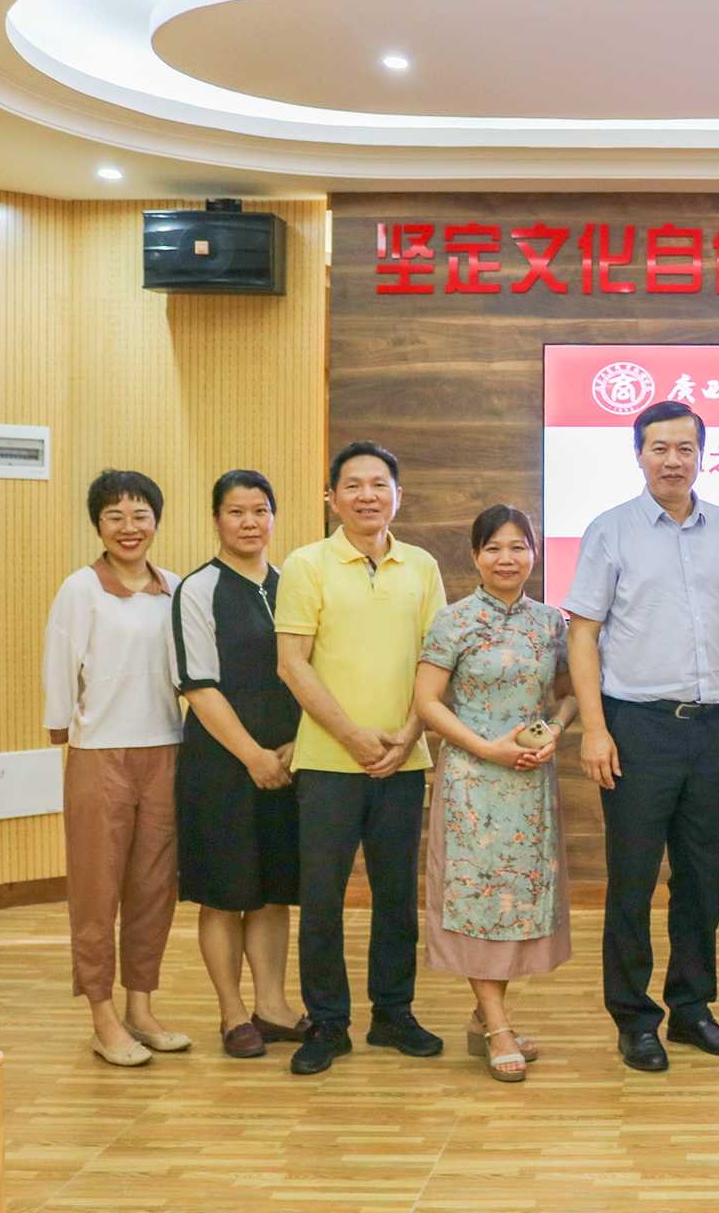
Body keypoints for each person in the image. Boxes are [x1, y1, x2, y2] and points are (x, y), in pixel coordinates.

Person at [564, 401, 719, 1073]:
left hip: (709, 727)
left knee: (703, 878)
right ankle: (633, 1017)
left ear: (702, 454)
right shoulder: (610, 530)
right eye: (659, 448)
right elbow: (583, 633)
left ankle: (692, 1008)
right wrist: (595, 729)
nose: (672, 460)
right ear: (639, 455)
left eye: (684, 448)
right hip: (636, 727)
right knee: (633, 878)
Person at [274, 440, 448, 1076]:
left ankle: (393, 1013)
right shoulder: (306, 564)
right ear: (332, 498)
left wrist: (407, 735)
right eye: (353, 485)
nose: (367, 495)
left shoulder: (422, 566)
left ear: (398, 495)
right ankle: (327, 1022)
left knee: (396, 897)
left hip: (404, 761)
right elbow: (291, 664)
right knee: (321, 899)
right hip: (327, 763)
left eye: (379, 484)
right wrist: (351, 735)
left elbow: (437, 660)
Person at [413, 504, 577, 1085]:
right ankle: (499, 1027)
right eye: (493, 548)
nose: (507, 559)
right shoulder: (453, 621)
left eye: (518, 547)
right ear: (475, 556)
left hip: (529, 782)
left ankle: (485, 1016)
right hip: (473, 783)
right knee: (478, 900)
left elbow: (568, 694)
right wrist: (487, 749)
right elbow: (427, 702)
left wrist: (554, 731)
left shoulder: (550, 623)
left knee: (515, 901)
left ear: (535, 553)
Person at [42, 469, 188, 1067]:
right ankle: (102, 1019)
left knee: (154, 891)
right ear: (98, 525)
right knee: (96, 891)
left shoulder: (175, 589)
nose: (129, 528)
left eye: (140, 516)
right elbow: (59, 665)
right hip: (99, 755)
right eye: (115, 517)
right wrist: (62, 728)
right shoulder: (80, 589)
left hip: (166, 750)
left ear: (156, 521)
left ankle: (141, 1009)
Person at [170, 469, 310, 1059]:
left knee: (273, 890)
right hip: (220, 766)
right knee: (226, 894)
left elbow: (313, 671)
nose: (249, 523)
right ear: (216, 520)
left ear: (273, 517)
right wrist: (252, 755)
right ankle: (232, 1013)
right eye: (236, 512)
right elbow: (197, 685)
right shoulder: (198, 589)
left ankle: (272, 1006)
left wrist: (297, 745)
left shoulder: (293, 584)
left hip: (288, 762)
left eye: (259, 511)